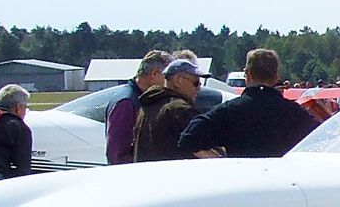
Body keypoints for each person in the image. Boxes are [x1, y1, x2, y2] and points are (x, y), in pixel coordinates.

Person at [178, 48, 318, 158]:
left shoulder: (228, 111)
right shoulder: (296, 113)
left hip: (244, 185)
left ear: (247, 75)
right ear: (276, 77)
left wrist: (224, 164)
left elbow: (188, 140)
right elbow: (322, 141)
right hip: (282, 187)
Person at [104, 49, 172, 164]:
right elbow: (118, 156)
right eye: (168, 77)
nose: (170, 82)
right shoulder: (126, 103)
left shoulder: (139, 98)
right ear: (155, 74)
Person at [134, 56, 203, 161]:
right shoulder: (181, 110)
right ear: (178, 81)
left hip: (146, 174)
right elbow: (206, 152)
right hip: (176, 175)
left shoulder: (145, 108)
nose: (198, 88)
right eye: (196, 83)